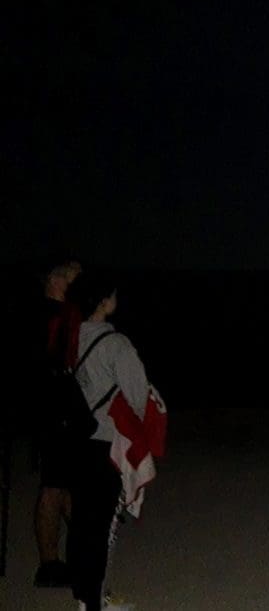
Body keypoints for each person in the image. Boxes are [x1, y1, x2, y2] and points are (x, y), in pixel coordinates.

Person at [67, 274, 151, 611]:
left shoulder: (72, 337)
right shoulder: (115, 344)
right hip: (106, 441)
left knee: (81, 519)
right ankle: (95, 599)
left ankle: (82, 593)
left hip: (77, 437)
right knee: (102, 524)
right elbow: (137, 394)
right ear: (103, 301)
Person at [34, 259, 83, 587]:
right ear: (56, 280)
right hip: (54, 410)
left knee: (65, 484)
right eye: (73, 279)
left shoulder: (57, 314)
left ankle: (72, 555)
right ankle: (49, 564)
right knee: (53, 486)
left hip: (58, 409)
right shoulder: (51, 316)